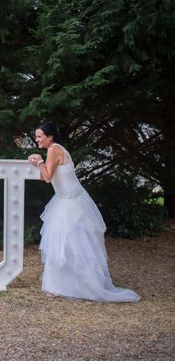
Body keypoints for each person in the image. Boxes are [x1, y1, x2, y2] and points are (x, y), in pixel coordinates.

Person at [28, 122, 140, 302]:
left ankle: (78, 284)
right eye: (36, 136)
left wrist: (38, 160)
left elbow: (47, 177)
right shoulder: (55, 149)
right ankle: (60, 284)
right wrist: (36, 162)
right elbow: (47, 175)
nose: (37, 139)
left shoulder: (53, 150)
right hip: (66, 199)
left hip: (71, 201)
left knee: (71, 242)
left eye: (40, 136)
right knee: (64, 242)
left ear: (50, 137)